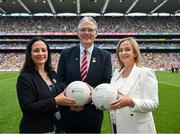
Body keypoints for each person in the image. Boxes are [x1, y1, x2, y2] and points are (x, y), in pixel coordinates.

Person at [56, 16, 112, 133]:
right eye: (83, 29)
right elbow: (59, 80)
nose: (87, 32)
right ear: (78, 32)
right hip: (69, 112)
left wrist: (92, 96)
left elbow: (106, 83)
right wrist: (70, 99)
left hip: (93, 114)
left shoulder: (105, 56)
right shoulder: (66, 54)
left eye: (90, 30)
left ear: (96, 33)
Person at [16, 37, 76, 133]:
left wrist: (70, 105)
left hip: (59, 128)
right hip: (37, 129)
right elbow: (28, 108)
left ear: (48, 53)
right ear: (30, 55)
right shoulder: (24, 78)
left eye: (44, 50)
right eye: (36, 50)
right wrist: (55, 101)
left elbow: (61, 99)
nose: (40, 53)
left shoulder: (52, 74)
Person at [109, 37, 159, 133]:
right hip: (116, 126)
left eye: (127, 49)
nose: (123, 53)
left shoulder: (145, 72)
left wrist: (131, 101)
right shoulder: (116, 74)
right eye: (120, 50)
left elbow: (153, 103)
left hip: (137, 128)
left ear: (135, 53)